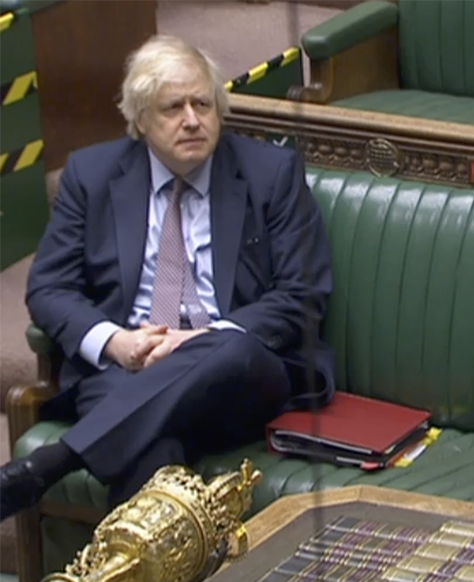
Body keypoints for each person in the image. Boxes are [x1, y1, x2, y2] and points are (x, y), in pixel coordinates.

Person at [0, 35, 334, 521]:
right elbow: (49, 287)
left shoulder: (271, 174)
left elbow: (303, 294)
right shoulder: (91, 176)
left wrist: (193, 343)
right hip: (126, 369)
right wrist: (115, 343)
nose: (193, 119)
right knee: (153, 454)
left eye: (203, 103)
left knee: (231, 348)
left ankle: (52, 463)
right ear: (139, 120)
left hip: (237, 372)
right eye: (173, 108)